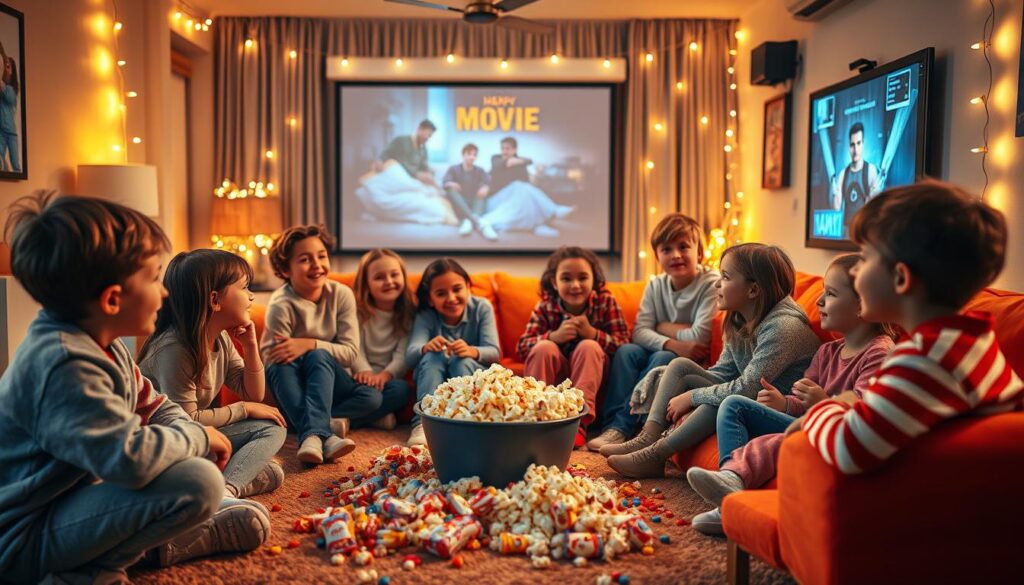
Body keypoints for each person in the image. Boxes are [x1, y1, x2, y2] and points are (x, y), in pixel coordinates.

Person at [0, 192, 269, 583]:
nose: (164, 293)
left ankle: (104, 561)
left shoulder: (105, 345)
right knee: (199, 482)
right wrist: (197, 437)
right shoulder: (64, 364)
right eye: (154, 278)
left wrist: (192, 435)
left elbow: (156, 406)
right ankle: (92, 571)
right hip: (22, 538)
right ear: (112, 300)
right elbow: (129, 459)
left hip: (66, 505)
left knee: (192, 467)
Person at [803, 180, 1021, 475]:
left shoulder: (926, 360)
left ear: (901, 278)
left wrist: (826, 408)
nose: (854, 270)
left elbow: (849, 450)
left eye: (864, 259)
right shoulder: (969, 341)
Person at [685, 253, 896, 535]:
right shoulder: (827, 351)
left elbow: (863, 413)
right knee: (734, 405)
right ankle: (730, 485)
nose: (819, 301)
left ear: (862, 305)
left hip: (833, 434)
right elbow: (800, 401)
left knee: (774, 440)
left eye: (831, 294)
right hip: (807, 423)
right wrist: (784, 403)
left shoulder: (879, 352)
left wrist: (823, 402)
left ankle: (730, 500)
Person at [604, 243, 821, 478]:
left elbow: (748, 388)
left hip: (779, 409)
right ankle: (647, 437)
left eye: (725, 277)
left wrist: (692, 396)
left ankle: (655, 455)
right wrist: (694, 389)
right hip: (753, 396)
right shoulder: (738, 318)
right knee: (680, 366)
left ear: (753, 290)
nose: (717, 284)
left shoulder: (784, 328)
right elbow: (724, 373)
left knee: (715, 401)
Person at [139, 250, 287, 500]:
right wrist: (243, 409)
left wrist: (250, 347)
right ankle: (226, 491)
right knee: (267, 435)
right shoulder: (175, 349)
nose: (251, 295)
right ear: (215, 300)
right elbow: (186, 421)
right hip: (167, 445)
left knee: (274, 450)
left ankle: (218, 483)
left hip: (195, 438)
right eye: (244, 287)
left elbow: (254, 393)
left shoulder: (221, 339)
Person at [262, 225, 397, 465]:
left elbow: (350, 353)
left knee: (378, 395)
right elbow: (276, 358)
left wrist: (309, 344)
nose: (317, 265)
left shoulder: (341, 294)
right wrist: (308, 351)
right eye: (305, 260)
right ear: (285, 269)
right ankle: (322, 433)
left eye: (321, 256)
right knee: (283, 364)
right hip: (294, 379)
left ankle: (311, 426)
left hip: (329, 379)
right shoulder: (280, 305)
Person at [588, 214, 720, 451]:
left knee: (663, 357)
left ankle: (627, 427)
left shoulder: (711, 283)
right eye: (666, 249)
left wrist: (661, 327)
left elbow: (700, 337)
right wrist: (673, 341)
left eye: (683, 247)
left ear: (699, 253)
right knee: (627, 351)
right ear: (657, 256)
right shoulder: (655, 285)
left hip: (685, 360)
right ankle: (612, 428)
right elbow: (639, 332)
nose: (676, 255)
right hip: (667, 349)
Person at [517, 246, 630, 448]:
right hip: (557, 374)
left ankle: (577, 422)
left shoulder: (605, 302)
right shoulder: (545, 306)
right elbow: (523, 347)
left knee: (589, 346)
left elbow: (624, 344)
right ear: (554, 282)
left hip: (593, 374)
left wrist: (593, 334)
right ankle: (535, 417)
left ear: (594, 280)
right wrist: (553, 337)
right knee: (544, 347)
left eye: (583, 278)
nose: (575, 285)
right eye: (566, 279)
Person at [405, 258, 500, 446]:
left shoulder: (482, 308)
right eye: (441, 293)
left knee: (461, 360)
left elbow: (494, 352)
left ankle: (468, 420)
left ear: (468, 287)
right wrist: (426, 347)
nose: (451, 298)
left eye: (457, 289)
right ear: (430, 299)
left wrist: (471, 351)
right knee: (432, 356)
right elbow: (410, 356)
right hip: (434, 374)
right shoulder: (426, 315)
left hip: (468, 371)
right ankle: (423, 423)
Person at [351, 248, 416, 430]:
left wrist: (386, 375)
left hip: (387, 381)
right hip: (357, 377)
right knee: (368, 397)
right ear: (366, 284)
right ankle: (374, 417)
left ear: (403, 277)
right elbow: (353, 345)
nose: (388, 281)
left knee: (401, 390)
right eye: (379, 277)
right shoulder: (357, 311)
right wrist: (364, 371)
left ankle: (347, 420)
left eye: (394, 275)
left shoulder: (409, 314)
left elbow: (402, 354)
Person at [481, 136, 575, 237]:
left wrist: (533, 169)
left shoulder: (520, 167)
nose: (504, 151)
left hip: (513, 201)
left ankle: (537, 225)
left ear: (514, 150)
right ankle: (554, 211)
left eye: (507, 149)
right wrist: (526, 161)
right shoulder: (496, 159)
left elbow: (527, 185)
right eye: (502, 148)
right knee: (519, 185)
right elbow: (510, 162)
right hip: (496, 200)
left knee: (525, 192)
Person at [831, 122, 882, 236]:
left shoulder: (871, 170)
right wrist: (834, 191)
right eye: (852, 145)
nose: (855, 149)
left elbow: (875, 208)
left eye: (858, 143)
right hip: (846, 235)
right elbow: (836, 208)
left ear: (863, 144)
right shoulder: (843, 174)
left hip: (864, 234)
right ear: (849, 147)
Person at [441, 143, 498, 241]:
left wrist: (486, 187)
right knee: (450, 190)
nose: (472, 157)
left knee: (482, 193)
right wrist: (450, 183)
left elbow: (489, 182)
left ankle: (469, 221)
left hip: (475, 203)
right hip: (461, 204)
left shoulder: (480, 170)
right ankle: (479, 222)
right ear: (463, 155)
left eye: (474, 155)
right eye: (469, 154)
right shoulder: (453, 169)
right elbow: (445, 182)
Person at [379, 119, 437, 184]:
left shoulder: (423, 149)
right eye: (426, 134)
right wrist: (380, 161)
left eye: (429, 136)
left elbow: (423, 166)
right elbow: (387, 153)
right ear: (419, 129)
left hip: (412, 179)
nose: (427, 138)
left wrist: (429, 171)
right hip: (399, 176)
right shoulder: (401, 141)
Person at [0, 52, 21, 173]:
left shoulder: (11, 90)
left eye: (8, 67)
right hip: (1, 132)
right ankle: (5, 170)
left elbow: (9, 97)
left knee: (15, 163)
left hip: (11, 133)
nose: (5, 69)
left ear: (12, 72)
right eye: (4, 66)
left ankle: (11, 172)